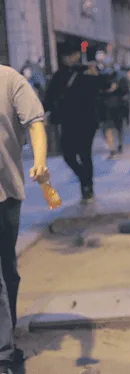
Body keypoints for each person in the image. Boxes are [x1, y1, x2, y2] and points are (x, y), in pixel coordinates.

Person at [1, 64, 49, 373]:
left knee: (7, 269)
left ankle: (8, 332)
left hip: (6, 190)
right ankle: (4, 351)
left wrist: (41, 162)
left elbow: (34, 122)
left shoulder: (8, 78)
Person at [44, 42, 111, 204]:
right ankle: (85, 179)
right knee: (68, 155)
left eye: (73, 55)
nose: (70, 58)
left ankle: (87, 190)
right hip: (68, 121)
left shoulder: (87, 72)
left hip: (87, 121)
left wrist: (97, 74)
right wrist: (43, 113)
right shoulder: (59, 75)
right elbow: (49, 97)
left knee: (85, 154)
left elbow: (106, 86)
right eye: (67, 56)